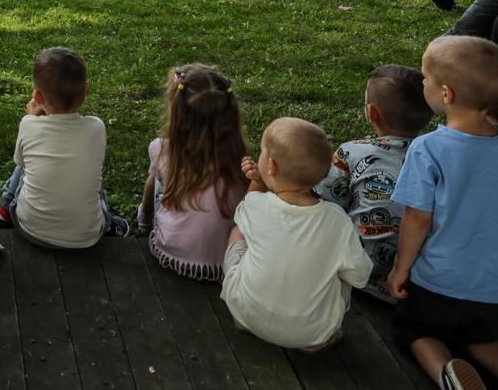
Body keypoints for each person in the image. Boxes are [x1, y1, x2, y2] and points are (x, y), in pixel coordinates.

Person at [388, 36, 498, 389]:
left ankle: (446, 374)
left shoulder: (429, 148)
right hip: (495, 288)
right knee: (481, 338)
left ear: (446, 94)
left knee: (416, 330)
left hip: (438, 282)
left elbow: (417, 218)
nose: (422, 82)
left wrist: (401, 268)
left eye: (426, 78)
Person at [219, 118, 371, 351]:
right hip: (310, 334)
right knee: (343, 271)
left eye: (261, 152)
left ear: (271, 166)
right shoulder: (337, 221)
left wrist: (257, 183)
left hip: (246, 312)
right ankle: (318, 338)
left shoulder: (256, 205)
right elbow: (359, 277)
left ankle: (244, 320)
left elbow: (245, 213)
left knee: (238, 232)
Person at [0, 46, 130, 245]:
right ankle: (108, 224)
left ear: (38, 97)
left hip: (30, 229)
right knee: (93, 184)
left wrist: (32, 118)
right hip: (87, 236)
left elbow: (21, 162)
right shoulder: (96, 127)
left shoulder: (28, 124)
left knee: (24, 168)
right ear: (86, 88)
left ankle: (2, 214)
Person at [314, 64, 432, 301]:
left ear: (372, 113)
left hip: (356, 274)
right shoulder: (436, 158)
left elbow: (324, 201)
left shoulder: (350, 152)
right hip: (414, 282)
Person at [135, 64, 248, 281]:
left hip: (170, 255)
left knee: (156, 179)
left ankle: (143, 218)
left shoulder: (161, 148)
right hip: (227, 264)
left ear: (177, 113)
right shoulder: (241, 158)